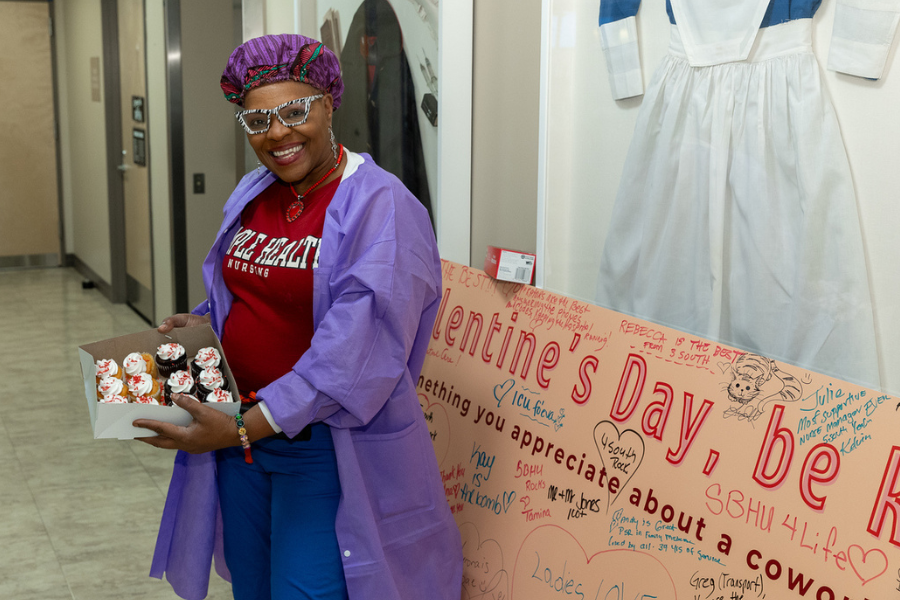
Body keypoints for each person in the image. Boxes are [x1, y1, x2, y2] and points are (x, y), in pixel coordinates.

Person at [133, 34, 462, 600]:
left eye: (294, 111)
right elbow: (249, 290)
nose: (278, 133)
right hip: (241, 440)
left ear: (329, 102)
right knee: (253, 586)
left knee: (304, 590)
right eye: (258, 119)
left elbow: (352, 353)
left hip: (325, 447)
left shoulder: (381, 207)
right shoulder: (253, 192)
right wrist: (206, 320)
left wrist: (241, 425)